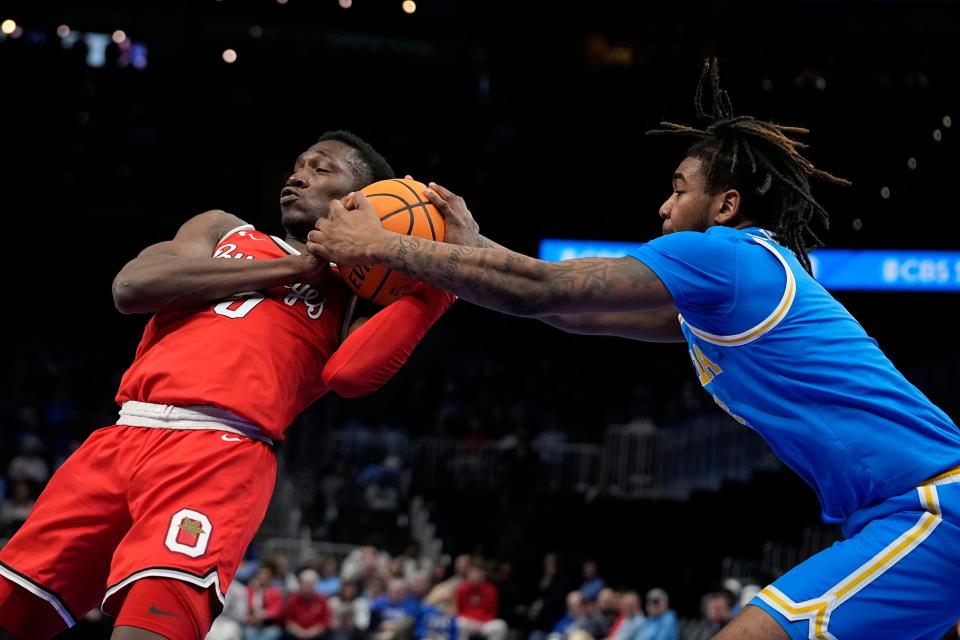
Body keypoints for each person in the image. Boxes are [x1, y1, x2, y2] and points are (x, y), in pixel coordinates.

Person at [307, 61, 960, 640]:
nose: (663, 204)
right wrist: (471, 244)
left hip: (929, 506)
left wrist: (382, 245)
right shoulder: (732, 291)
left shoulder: (725, 257)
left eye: (680, 188)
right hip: (896, 514)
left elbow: (541, 288)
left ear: (726, 205)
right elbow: (566, 311)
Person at [0, 131, 456, 640]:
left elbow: (348, 377)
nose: (298, 174)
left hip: (220, 451)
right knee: (15, 613)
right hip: (122, 433)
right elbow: (132, 287)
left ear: (362, 201)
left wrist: (439, 285)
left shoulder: (356, 296)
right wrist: (291, 267)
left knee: (149, 627)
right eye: (298, 163)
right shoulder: (222, 228)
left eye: (322, 168)